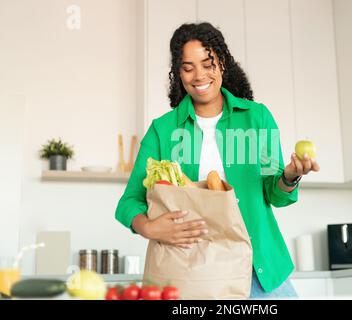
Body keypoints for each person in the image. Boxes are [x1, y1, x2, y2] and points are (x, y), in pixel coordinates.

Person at [115, 22, 320, 299]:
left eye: (208, 63)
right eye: (188, 67)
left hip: (258, 274)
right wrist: (149, 227)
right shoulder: (162, 130)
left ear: (222, 63)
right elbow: (129, 202)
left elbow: (276, 194)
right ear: (179, 73)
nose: (199, 75)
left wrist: (290, 175)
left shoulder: (256, 117)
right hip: (195, 275)